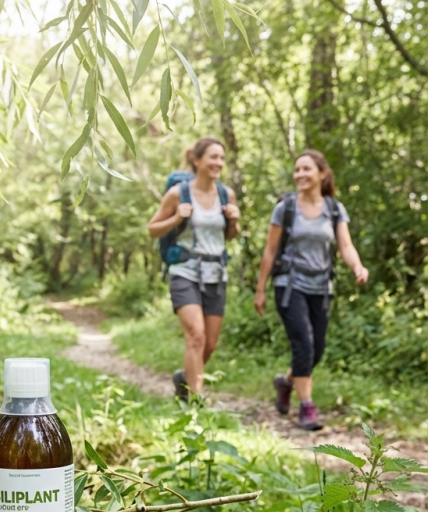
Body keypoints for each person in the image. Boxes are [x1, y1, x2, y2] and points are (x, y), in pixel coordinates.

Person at [254, 149, 368, 430]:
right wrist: (261, 289)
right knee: (303, 344)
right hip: (289, 284)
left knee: (316, 350)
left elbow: (345, 245)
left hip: (321, 286)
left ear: (322, 173)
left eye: (306, 169)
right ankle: (307, 407)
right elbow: (270, 251)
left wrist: (357, 267)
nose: (300, 174)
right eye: (297, 170)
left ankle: (286, 382)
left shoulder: (334, 209)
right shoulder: (286, 208)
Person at [147, 137, 241, 401]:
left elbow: (230, 236)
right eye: (213, 157)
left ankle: (184, 378)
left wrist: (235, 222)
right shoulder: (178, 194)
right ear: (196, 160)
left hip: (216, 273)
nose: (219, 163)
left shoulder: (226, 194)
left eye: (221, 158)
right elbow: (152, 229)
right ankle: (196, 403)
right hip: (185, 271)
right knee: (196, 336)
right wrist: (177, 217)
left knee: (209, 344)